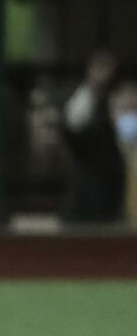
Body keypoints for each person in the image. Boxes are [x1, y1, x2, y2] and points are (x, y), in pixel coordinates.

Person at [60, 50, 125, 224]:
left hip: (112, 180)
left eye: (108, 68)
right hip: (88, 181)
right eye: (100, 68)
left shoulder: (117, 99)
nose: (104, 74)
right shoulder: (81, 100)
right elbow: (73, 128)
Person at [110, 81, 137, 225]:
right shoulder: (100, 157)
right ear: (113, 113)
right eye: (126, 109)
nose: (132, 115)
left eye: (136, 109)